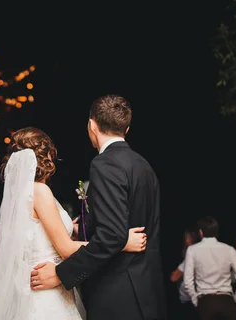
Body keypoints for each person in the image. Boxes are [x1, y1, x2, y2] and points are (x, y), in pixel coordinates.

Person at [0, 127, 148, 319]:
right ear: (46, 156)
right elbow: (66, 249)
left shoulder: (22, 195)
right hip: (46, 294)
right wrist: (122, 243)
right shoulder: (40, 191)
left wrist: (74, 229)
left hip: (39, 289)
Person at [29, 94, 166, 319]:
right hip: (147, 291)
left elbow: (112, 236)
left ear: (92, 125)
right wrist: (82, 227)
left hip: (118, 296)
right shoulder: (144, 165)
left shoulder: (105, 163)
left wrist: (62, 274)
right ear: (127, 128)